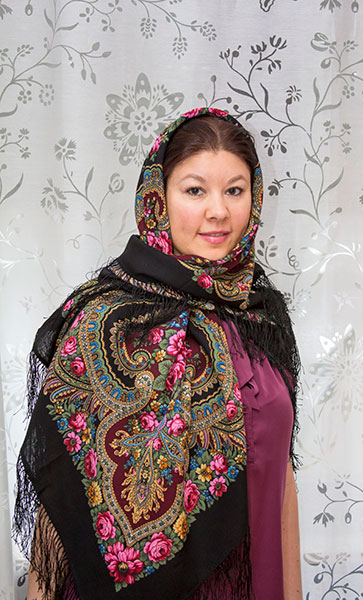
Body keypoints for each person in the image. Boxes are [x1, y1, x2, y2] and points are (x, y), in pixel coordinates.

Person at [13, 107, 302, 600]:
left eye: (235, 190)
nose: (218, 211)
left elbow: (282, 476)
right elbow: (63, 495)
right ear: (158, 199)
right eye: (195, 190)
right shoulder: (106, 323)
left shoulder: (260, 314)